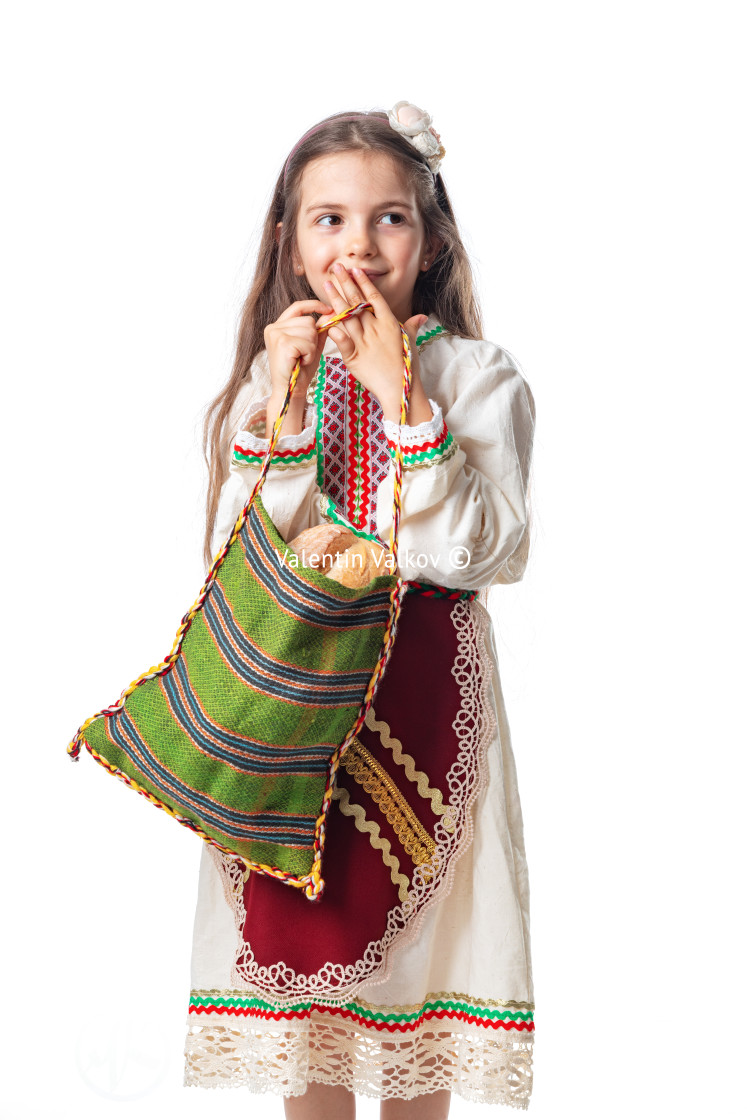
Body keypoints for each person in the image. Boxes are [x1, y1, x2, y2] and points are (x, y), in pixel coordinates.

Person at [184, 102, 537, 1118]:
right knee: (314, 1007)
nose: (358, 244)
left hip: (427, 702)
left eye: (388, 218)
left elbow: (480, 551)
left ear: (429, 244)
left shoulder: (476, 376)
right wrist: (287, 409)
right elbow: (235, 558)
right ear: (290, 243)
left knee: (417, 984)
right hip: (295, 710)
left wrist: (403, 396)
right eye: (328, 219)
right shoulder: (271, 377)